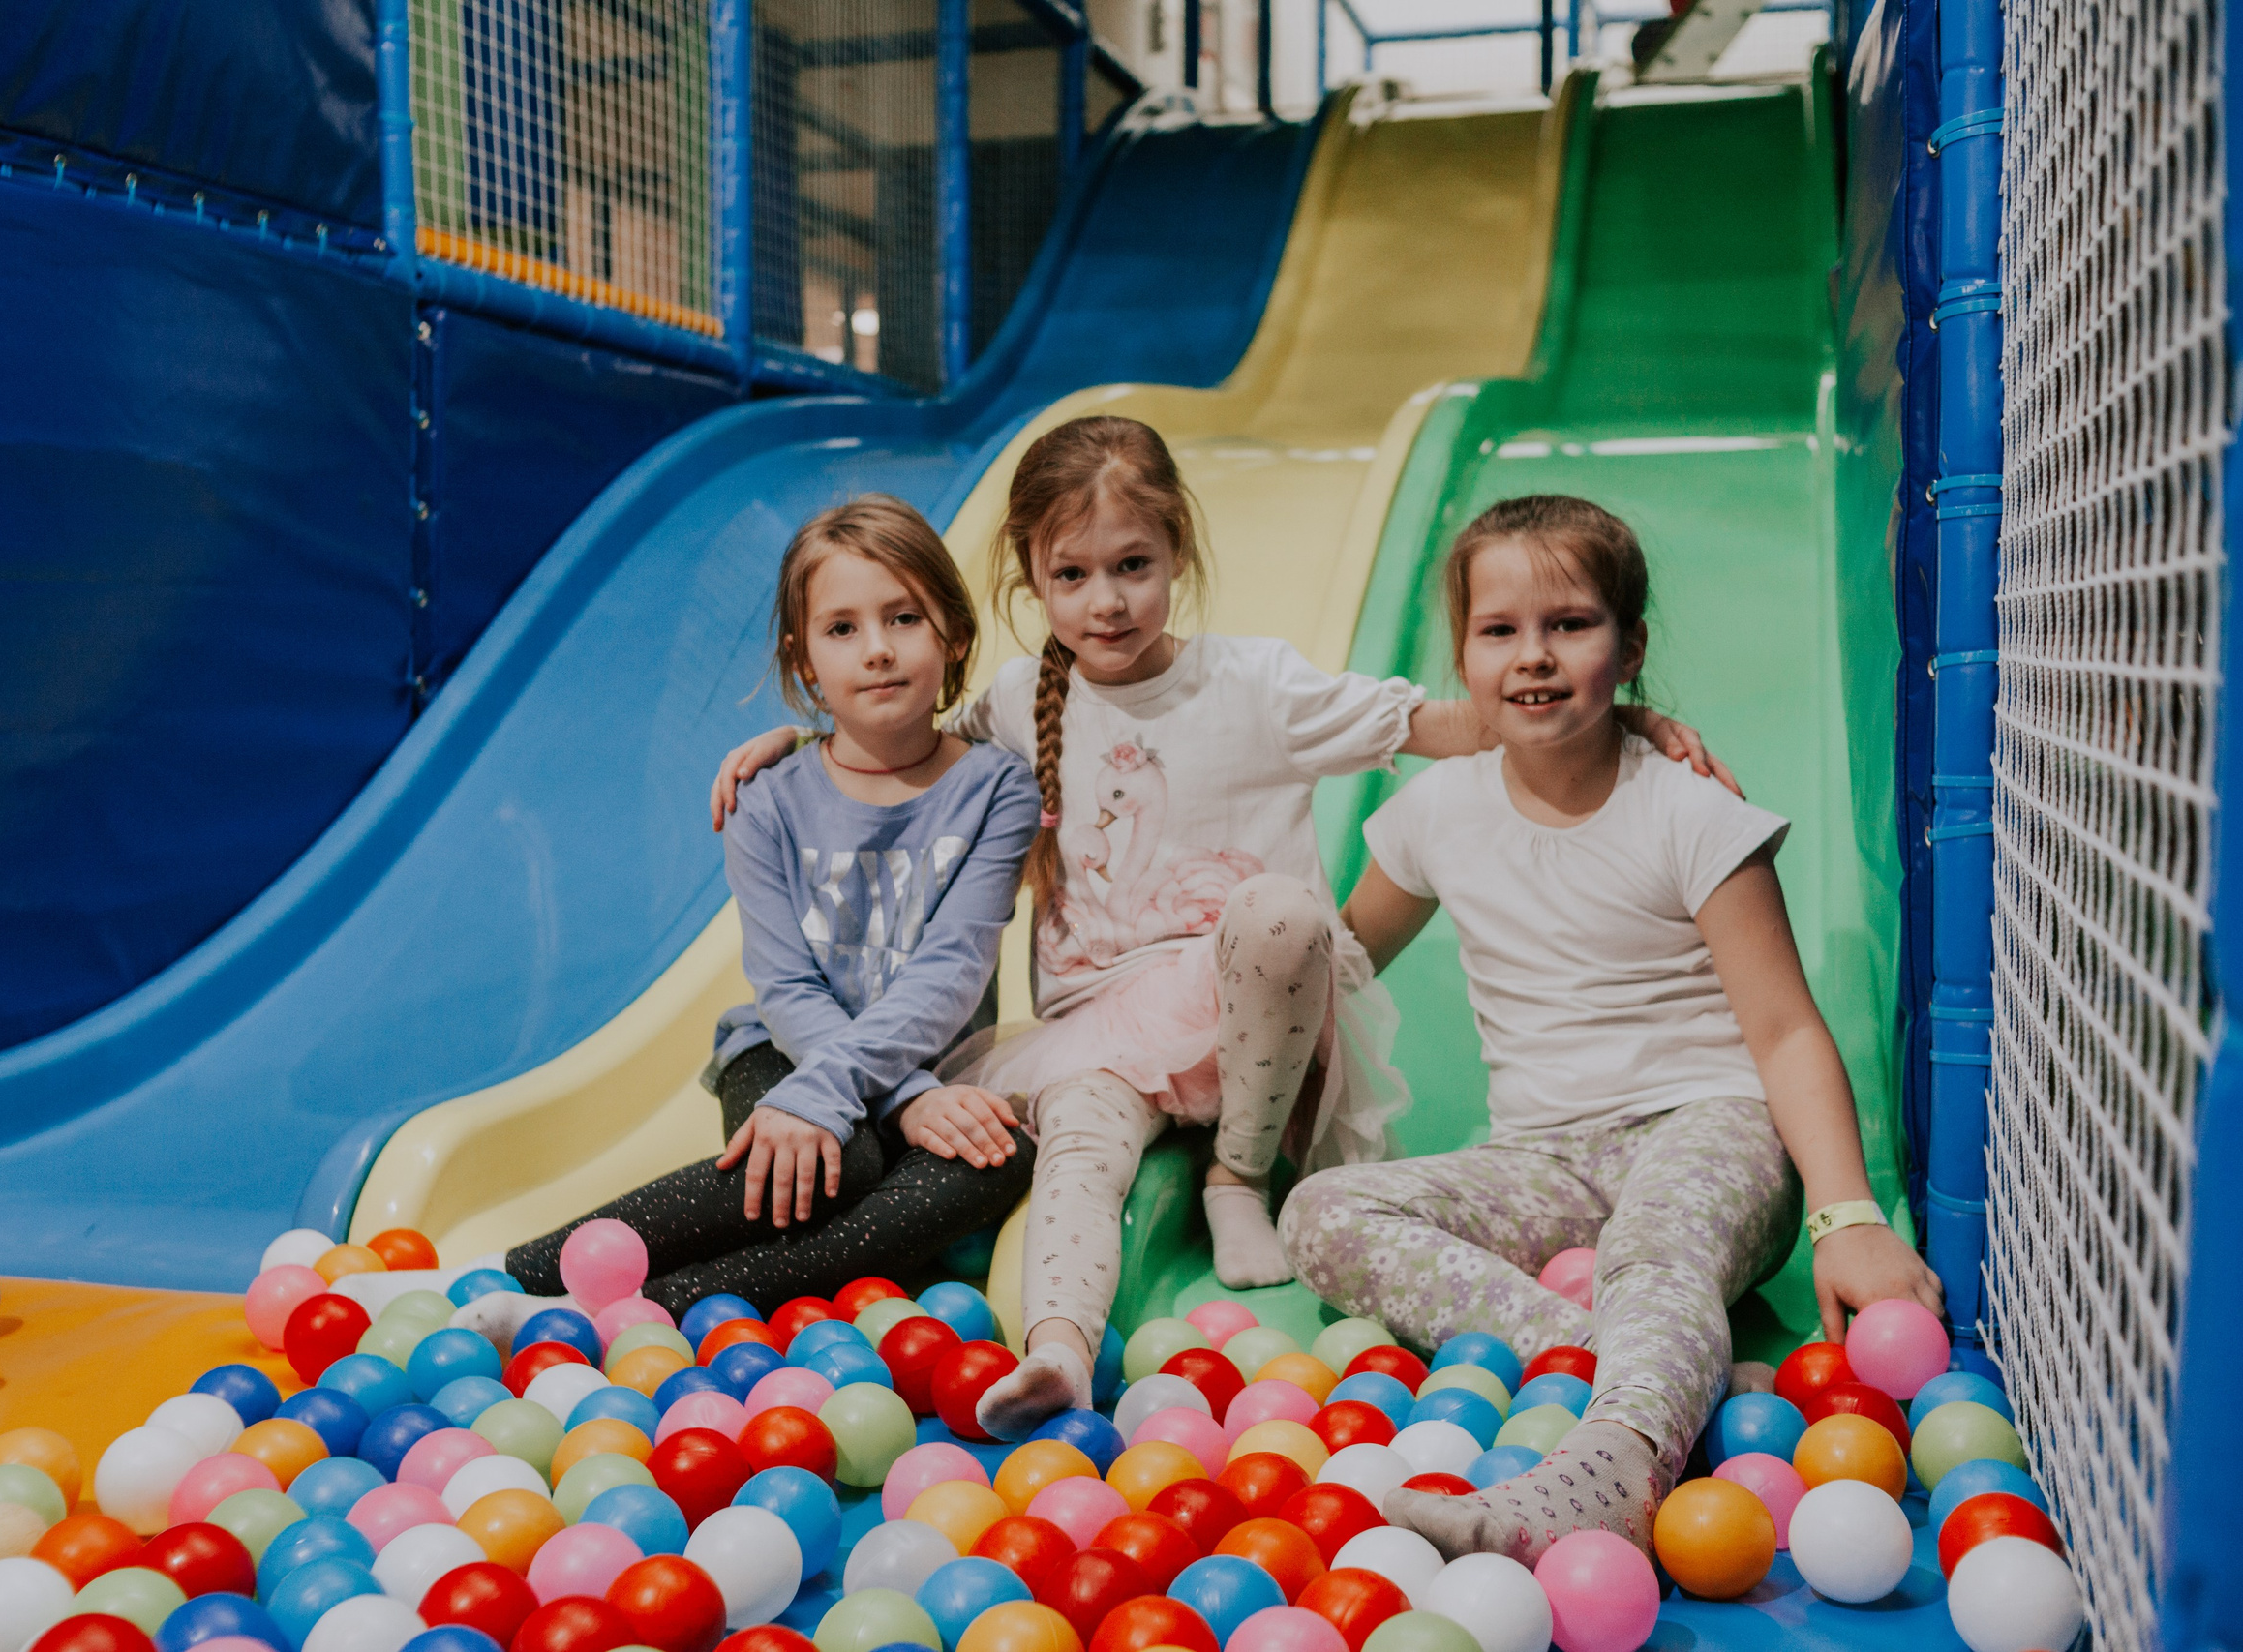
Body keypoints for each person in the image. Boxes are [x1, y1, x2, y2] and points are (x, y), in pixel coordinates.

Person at [712, 419, 1728, 1437]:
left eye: (1133, 566)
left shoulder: (1254, 684)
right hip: (1099, 1028)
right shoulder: (1021, 701)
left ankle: (1235, 1172)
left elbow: (1444, 722)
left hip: (1252, 1017)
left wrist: (1621, 716)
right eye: (1071, 574)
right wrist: (799, 743)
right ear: (1030, 578)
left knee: (1281, 912)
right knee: (1078, 1148)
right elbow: (905, 740)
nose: (1104, 600)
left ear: (1177, 559)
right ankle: (1058, 1349)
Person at [1280, 493, 1943, 1563]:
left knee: (1654, 1247)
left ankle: (1613, 1465)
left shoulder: (1688, 812)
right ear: (1461, 655)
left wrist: (1844, 1215)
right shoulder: (1435, 814)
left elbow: (1783, 1032)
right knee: (1321, 1216)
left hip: (1709, 1129)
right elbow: (1336, 964)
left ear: (1629, 648)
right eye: (1498, 631)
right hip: (1545, 1159)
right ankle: (1650, 1355)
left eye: (1569, 625)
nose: (1532, 657)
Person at [348, 495, 1040, 1332]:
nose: (879, 649)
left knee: (999, 1163)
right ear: (805, 660)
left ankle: (631, 1308)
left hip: (938, 1066)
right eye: (843, 628)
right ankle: (502, 1277)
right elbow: (785, 986)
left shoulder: (997, 789)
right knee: (841, 1159)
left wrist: (906, 1095)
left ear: (954, 635)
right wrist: (887, 1099)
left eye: (905, 618)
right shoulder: (766, 799)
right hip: (784, 1052)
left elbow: (950, 972)